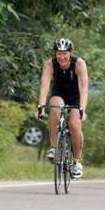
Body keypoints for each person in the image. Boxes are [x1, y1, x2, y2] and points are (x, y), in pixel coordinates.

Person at [37, 38, 88, 180]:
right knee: (54, 107)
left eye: (65, 53)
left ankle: (77, 161)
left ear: (70, 53)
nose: (61, 57)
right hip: (59, 93)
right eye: (58, 53)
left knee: (74, 124)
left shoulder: (78, 63)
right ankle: (53, 148)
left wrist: (82, 109)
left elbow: (84, 88)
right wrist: (41, 106)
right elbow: (44, 85)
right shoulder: (50, 64)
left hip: (75, 96)